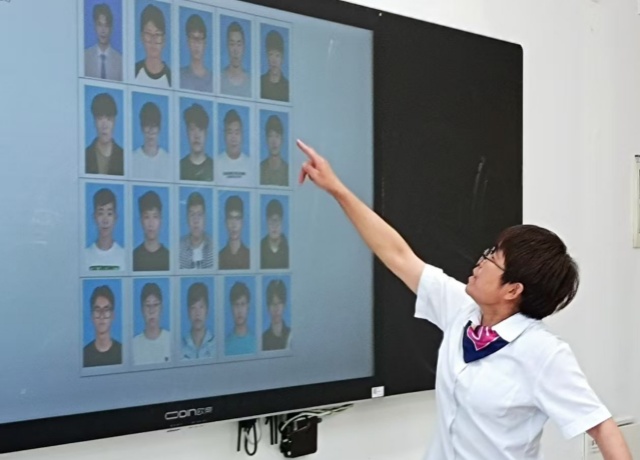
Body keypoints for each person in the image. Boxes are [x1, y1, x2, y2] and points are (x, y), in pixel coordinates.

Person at [296, 139, 632, 460]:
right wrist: (336, 189)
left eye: (492, 259)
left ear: (513, 289)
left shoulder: (543, 353)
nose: (480, 262)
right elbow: (397, 254)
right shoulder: (463, 310)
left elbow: (601, 426)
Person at [84, 188, 125, 271]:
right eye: (100, 213)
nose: (105, 220)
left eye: (109, 214)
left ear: (115, 217)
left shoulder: (125, 256)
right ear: (94, 217)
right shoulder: (84, 256)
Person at [83, 285, 122, 367]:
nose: (101, 316)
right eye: (97, 310)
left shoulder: (123, 353)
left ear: (113, 315)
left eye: (106, 310)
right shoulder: (83, 355)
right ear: (92, 315)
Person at [85, 92, 123, 176]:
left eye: (109, 119)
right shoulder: (85, 155)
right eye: (99, 118)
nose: (104, 126)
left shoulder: (123, 156)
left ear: (114, 121)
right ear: (94, 121)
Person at [133, 282, 171, 365]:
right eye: (147, 305)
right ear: (142, 309)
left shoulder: (172, 341)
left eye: (156, 305)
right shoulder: (133, 345)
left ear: (161, 308)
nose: (151, 311)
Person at [132, 101, 171, 180]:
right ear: (142, 128)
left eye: (154, 126)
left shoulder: (168, 160)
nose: (150, 131)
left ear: (159, 128)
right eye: (147, 125)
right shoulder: (133, 158)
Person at [135, 4, 171, 87]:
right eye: (148, 34)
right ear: (142, 36)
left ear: (164, 39)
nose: (153, 40)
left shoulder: (171, 77)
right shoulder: (134, 71)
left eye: (157, 34)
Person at [84, 3, 123, 81]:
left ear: (111, 28)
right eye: (100, 25)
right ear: (95, 26)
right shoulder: (84, 57)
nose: (103, 31)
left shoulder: (120, 60)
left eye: (106, 26)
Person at [133, 190, 169, 271]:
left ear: (161, 220)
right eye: (146, 217)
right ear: (141, 221)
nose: (151, 223)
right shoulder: (133, 257)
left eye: (155, 217)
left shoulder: (170, 257)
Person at [216, 109, 252, 186]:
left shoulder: (250, 164)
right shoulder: (216, 163)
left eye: (237, 133)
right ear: (224, 135)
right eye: (230, 133)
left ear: (242, 135)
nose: (233, 138)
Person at [179, 192, 214, 269]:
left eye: (199, 214)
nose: (196, 220)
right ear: (187, 218)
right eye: (192, 215)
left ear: (205, 218)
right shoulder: (178, 247)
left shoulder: (214, 246)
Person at [180, 103, 213, 181]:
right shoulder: (180, 167)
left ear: (206, 133)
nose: (196, 135)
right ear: (187, 132)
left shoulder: (214, 167)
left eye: (200, 130)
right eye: (192, 129)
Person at [182, 282, 216, 359]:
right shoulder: (179, 346)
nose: (197, 313)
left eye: (201, 307)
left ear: (207, 310)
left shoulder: (217, 345)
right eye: (193, 307)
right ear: (188, 312)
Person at [180, 14, 212, 92]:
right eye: (193, 38)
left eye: (200, 39)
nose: (196, 44)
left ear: (205, 42)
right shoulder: (179, 76)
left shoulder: (214, 79)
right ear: (188, 41)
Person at [219, 195, 250, 270]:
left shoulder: (250, 257)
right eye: (230, 218)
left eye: (237, 218)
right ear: (225, 222)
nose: (234, 225)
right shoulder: (219, 257)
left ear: (242, 222)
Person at [220, 21, 250, 97]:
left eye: (239, 44)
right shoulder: (219, 78)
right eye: (232, 44)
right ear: (227, 46)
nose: (235, 50)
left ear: (244, 47)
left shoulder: (251, 82)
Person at [225, 281, 256, 355]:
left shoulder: (257, 343)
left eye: (243, 304)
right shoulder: (225, 345)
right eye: (236, 305)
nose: (239, 310)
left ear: (248, 306)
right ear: (231, 308)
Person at [260, 30, 289, 102]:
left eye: (277, 55)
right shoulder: (260, 82)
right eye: (271, 54)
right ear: (267, 57)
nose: (274, 60)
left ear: (282, 58)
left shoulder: (288, 86)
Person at [260, 114, 288, 186]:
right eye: (271, 136)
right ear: (266, 140)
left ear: (282, 140)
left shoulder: (288, 171)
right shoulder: (260, 169)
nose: (274, 142)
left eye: (277, 136)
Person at [262, 279, 290, 351]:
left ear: (284, 305)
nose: (276, 308)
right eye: (272, 303)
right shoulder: (263, 339)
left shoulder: (291, 335)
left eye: (279, 303)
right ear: (268, 307)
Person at [260, 199, 289, 269]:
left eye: (277, 220)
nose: (274, 226)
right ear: (267, 222)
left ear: (282, 222)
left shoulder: (288, 249)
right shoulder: (260, 248)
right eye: (271, 221)